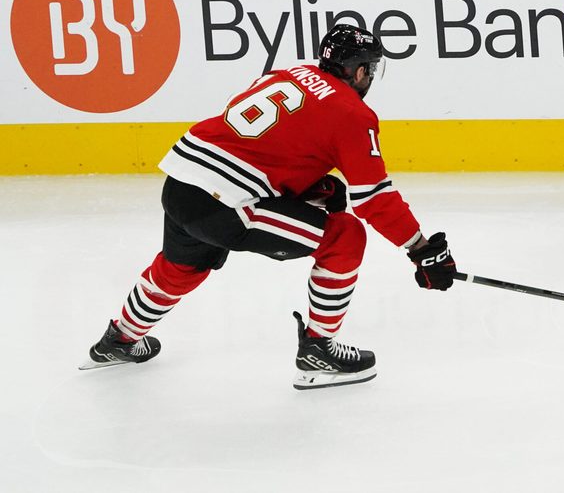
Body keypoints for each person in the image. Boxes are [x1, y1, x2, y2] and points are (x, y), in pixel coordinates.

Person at [81, 25, 459, 390]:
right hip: (226, 205)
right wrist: (421, 249)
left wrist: (310, 186)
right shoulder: (352, 114)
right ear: (359, 71)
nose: (371, 77)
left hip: (182, 182)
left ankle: (121, 339)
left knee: (182, 267)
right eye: (371, 69)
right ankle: (318, 352)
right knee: (345, 236)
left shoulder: (289, 74)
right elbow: (374, 199)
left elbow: (258, 141)